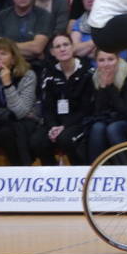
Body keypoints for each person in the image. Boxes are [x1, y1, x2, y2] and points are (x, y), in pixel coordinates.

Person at [31, 34, 94, 166]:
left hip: (80, 121)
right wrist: (53, 126)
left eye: (66, 45)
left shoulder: (87, 72)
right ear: (53, 52)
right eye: (58, 46)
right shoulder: (48, 74)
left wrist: (64, 127)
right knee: (37, 141)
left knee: (65, 139)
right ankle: (54, 177)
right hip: (57, 122)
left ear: (72, 48)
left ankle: (80, 177)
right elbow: (47, 107)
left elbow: (86, 108)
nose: (62, 49)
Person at [0, 38, 38, 166]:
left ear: (14, 59)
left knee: (7, 133)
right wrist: (0, 116)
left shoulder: (28, 76)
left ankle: (20, 174)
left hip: (21, 123)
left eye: (3, 54)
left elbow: (21, 112)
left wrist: (8, 84)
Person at [86, 49, 127, 163]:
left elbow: (126, 110)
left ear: (118, 59)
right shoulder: (96, 77)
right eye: (101, 60)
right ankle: (96, 171)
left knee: (114, 128)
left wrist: (110, 87)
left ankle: (126, 171)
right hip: (111, 119)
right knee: (97, 127)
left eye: (110, 59)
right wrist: (103, 88)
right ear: (96, 62)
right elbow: (98, 111)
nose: (106, 64)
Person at [0, 0, 54, 65]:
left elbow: (37, 48)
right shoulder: (1, 17)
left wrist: (6, 49)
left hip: (36, 67)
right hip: (7, 67)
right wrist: (28, 50)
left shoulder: (44, 16)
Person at [70, 0, 100, 66]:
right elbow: (75, 51)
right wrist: (99, 40)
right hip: (87, 70)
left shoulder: (111, 19)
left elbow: (107, 51)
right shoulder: (78, 23)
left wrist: (85, 48)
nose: (89, 0)